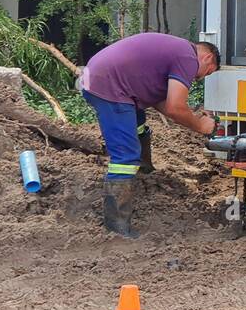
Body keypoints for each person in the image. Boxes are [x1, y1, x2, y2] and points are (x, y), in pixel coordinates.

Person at [80, 33, 221, 237]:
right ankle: (117, 227)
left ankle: (144, 175)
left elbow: (160, 102)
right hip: (111, 86)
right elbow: (174, 107)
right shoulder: (188, 57)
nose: (200, 78)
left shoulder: (175, 51)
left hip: (102, 77)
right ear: (208, 57)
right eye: (207, 73)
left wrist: (192, 119)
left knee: (139, 127)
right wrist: (201, 126)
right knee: (125, 156)